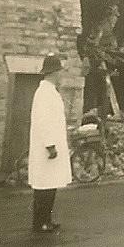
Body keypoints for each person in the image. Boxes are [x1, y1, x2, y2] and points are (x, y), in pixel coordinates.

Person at [28, 53, 72, 233]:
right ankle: (40, 222)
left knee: (50, 184)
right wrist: (50, 145)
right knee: (43, 186)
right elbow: (43, 120)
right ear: (53, 73)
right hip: (47, 148)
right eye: (59, 72)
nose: (61, 75)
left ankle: (46, 219)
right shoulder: (44, 93)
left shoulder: (50, 91)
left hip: (51, 146)